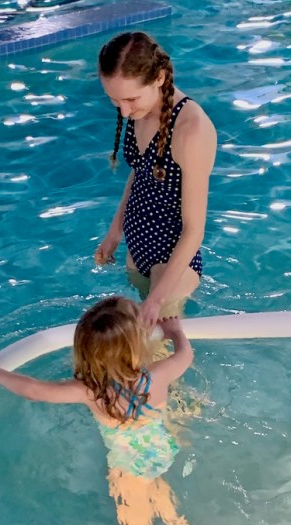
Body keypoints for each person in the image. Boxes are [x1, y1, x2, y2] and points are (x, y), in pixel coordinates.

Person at [0, 296, 201, 525]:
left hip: (128, 465)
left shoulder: (91, 392)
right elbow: (185, 356)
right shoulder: (156, 375)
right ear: (137, 343)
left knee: (134, 513)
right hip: (162, 448)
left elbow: (34, 390)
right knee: (154, 481)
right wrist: (175, 332)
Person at [94, 32, 217, 329]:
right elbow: (141, 172)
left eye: (131, 99)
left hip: (172, 259)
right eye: (114, 100)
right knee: (137, 353)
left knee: (161, 359)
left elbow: (194, 230)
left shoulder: (191, 130)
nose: (124, 111)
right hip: (138, 249)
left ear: (159, 78)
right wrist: (115, 232)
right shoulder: (143, 110)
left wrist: (158, 299)